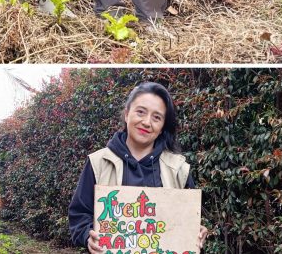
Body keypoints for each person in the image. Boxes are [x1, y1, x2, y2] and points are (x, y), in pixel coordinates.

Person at [67, 82, 208, 253]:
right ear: (127, 114)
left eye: (157, 117)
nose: (147, 122)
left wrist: (195, 231)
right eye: (140, 112)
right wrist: (88, 237)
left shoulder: (178, 168)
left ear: (163, 126)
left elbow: (186, 220)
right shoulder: (99, 162)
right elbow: (79, 215)